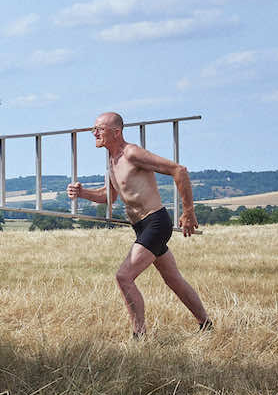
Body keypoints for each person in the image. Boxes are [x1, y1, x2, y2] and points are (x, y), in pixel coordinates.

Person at [66, 111, 212, 339]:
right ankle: (206, 324)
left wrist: (188, 211)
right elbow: (110, 196)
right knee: (173, 279)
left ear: (116, 132)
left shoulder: (131, 153)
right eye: (94, 129)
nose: (94, 133)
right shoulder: (111, 160)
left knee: (124, 277)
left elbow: (179, 170)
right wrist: (82, 193)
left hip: (156, 222)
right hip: (141, 226)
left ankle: (139, 336)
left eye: (99, 129)